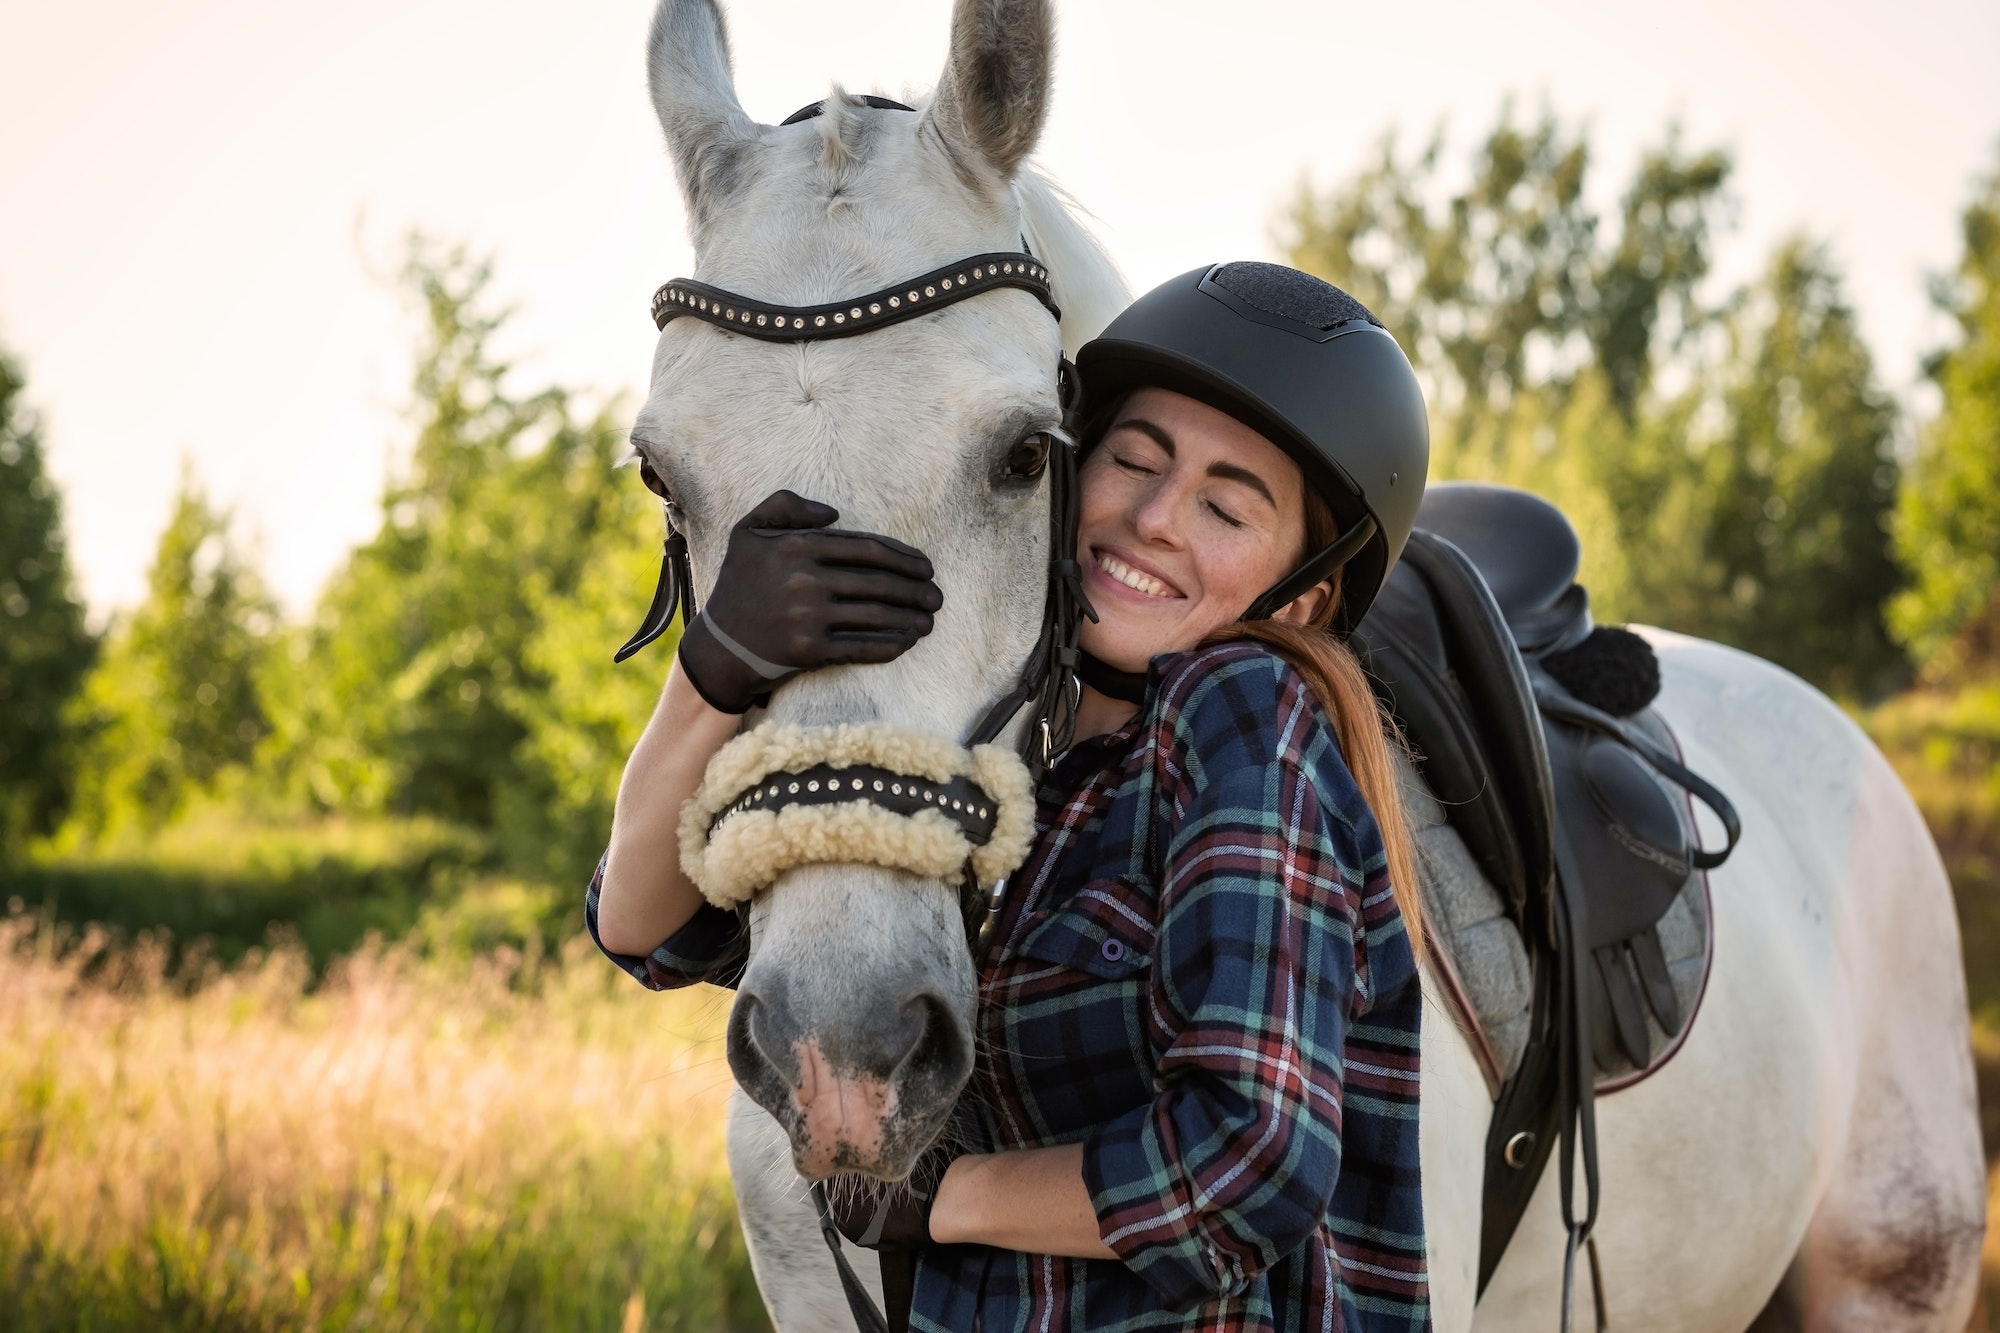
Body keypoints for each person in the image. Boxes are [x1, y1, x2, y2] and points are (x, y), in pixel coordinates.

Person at [590, 261, 1433, 1331]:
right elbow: (641, 928)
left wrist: (940, 1200)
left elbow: (1246, 1161)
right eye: (1132, 461)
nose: (1157, 518)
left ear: (1302, 595)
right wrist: (712, 664)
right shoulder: (990, 749)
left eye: (1224, 507)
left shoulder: (1241, 711)